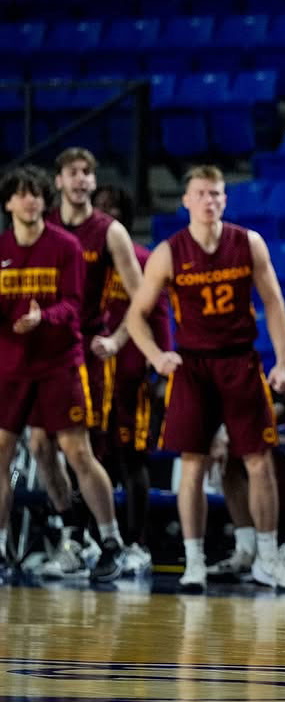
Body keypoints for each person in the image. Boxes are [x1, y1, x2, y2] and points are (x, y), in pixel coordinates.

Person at [125, 165, 285, 593]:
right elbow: (135, 317)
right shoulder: (169, 252)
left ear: (225, 199)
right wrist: (155, 355)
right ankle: (195, 561)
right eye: (201, 193)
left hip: (240, 361)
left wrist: (282, 359)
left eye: (217, 194)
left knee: (259, 461)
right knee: (193, 465)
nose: (210, 201)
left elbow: (274, 302)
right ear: (185, 200)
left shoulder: (248, 242)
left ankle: (268, 558)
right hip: (193, 367)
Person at [0, 166, 123, 582]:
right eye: (22, 194)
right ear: (9, 204)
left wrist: (43, 317)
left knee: (78, 451)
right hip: (13, 368)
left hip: (59, 363)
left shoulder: (66, 246)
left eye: (35, 193)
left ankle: (111, 541)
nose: (30, 200)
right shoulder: (1, 249)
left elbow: (74, 305)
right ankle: (45, 534)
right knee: (15, 455)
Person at [33, 148, 145, 578]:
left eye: (87, 174)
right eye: (72, 173)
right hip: (41, 352)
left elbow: (142, 298)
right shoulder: (40, 226)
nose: (80, 180)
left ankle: (110, 541)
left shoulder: (109, 232)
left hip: (83, 352)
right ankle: (73, 535)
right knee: (42, 447)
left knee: (79, 447)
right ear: (57, 181)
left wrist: (117, 339)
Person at [93, 184, 172, 576]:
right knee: (93, 458)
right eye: (99, 208)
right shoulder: (85, 259)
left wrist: (158, 366)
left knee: (131, 459)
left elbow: (158, 314)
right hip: (91, 375)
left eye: (113, 208)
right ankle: (96, 542)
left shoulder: (141, 260)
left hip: (130, 374)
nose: (105, 214)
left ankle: (137, 542)